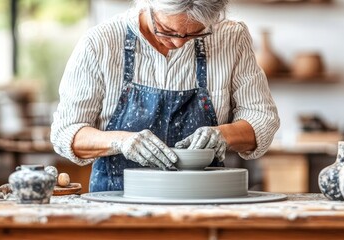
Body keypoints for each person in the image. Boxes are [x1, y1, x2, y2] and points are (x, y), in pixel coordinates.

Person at [51, 0, 280, 192]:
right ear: (148, 4)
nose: (179, 42)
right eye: (167, 30)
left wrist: (223, 134)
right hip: (118, 205)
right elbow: (66, 132)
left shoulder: (231, 37)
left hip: (203, 201)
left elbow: (262, 119)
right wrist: (122, 141)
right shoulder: (100, 42)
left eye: (194, 33)